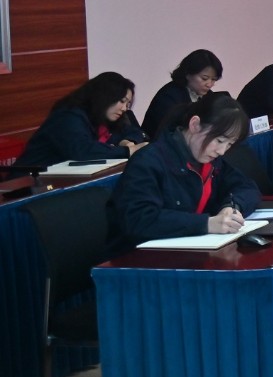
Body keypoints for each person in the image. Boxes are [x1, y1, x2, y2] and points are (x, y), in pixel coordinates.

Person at [108, 92, 260, 250]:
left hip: (189, 250)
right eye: (219, 140)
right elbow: (139, 219)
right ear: (195, 125)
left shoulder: (210, 161)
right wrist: (207, 224)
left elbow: (247, 187)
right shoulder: (148, 161)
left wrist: (231, 207)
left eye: (229, 144)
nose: (222, 151)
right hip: (141, 256)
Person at [18, 72, 146, 166]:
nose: (124, 108)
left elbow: (135, 132)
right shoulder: (68, 116)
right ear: (105, 96)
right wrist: (127, 151)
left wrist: (127, 141)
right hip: (30, 184)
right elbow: (83, 151)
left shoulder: (107, 117)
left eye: (128, 104)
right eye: (122, 101)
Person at [141, 49, 224, 134]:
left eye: (214, 79)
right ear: (188, 74)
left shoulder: (209, 97)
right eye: (204, 78)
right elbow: (169, 132)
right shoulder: (169, 96)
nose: (209, 84)